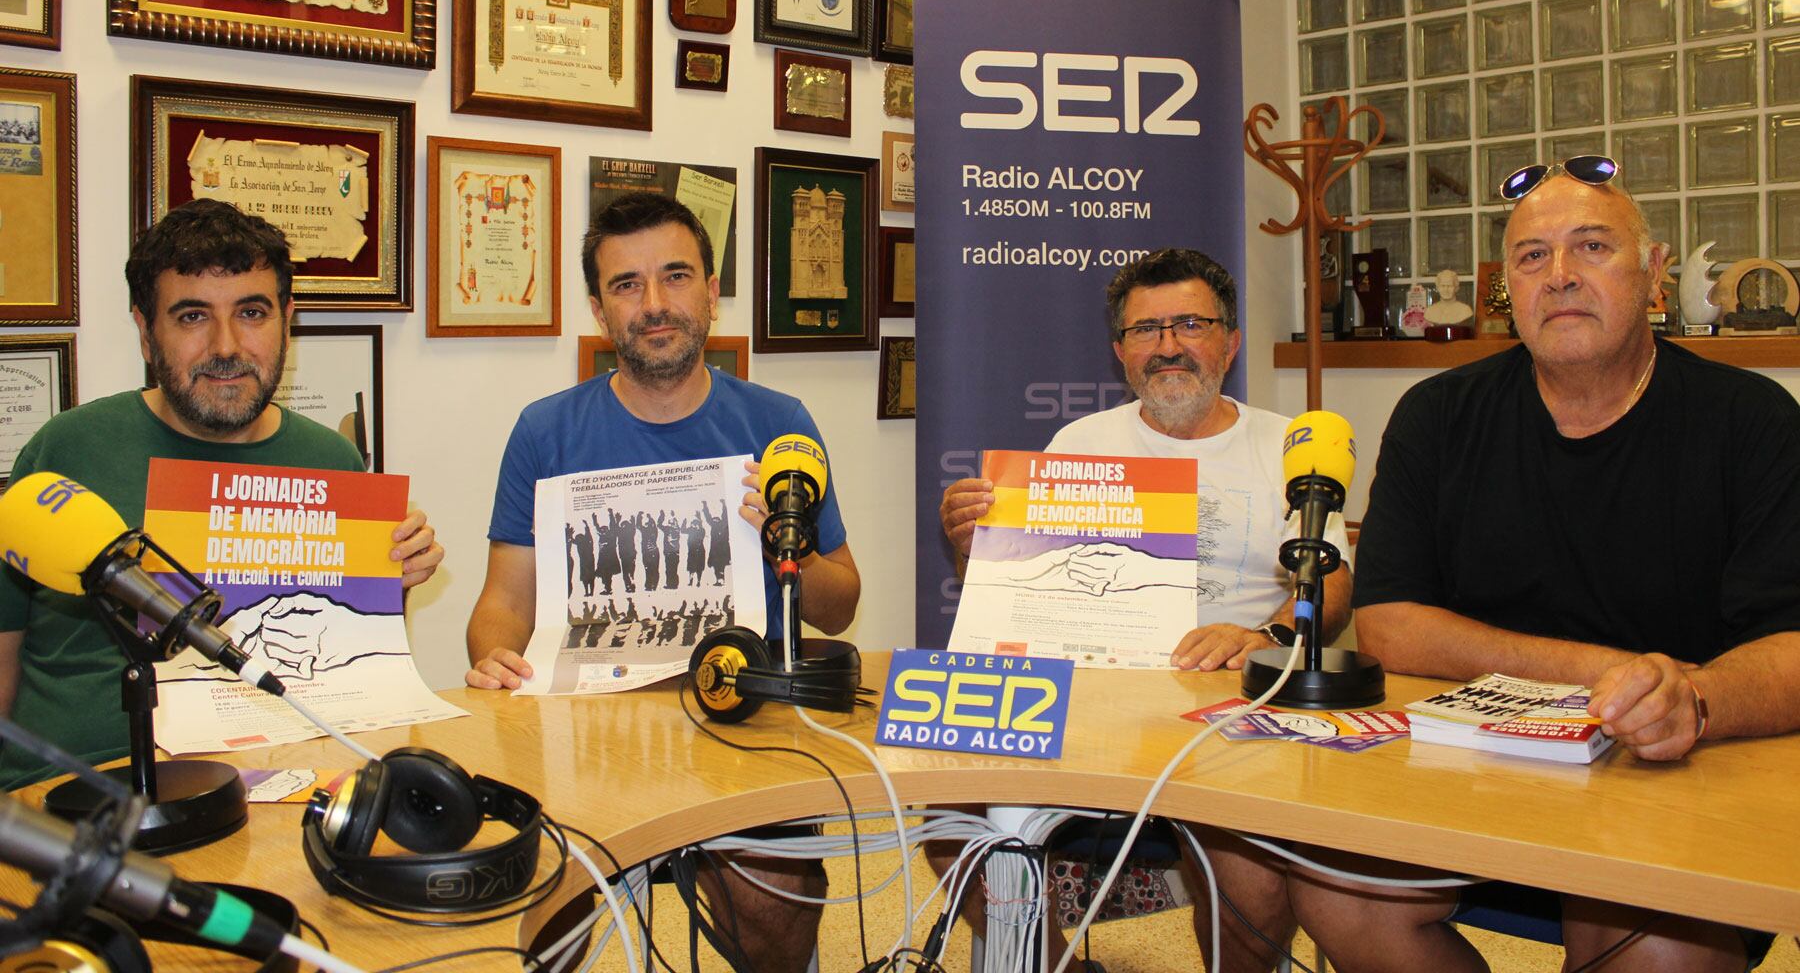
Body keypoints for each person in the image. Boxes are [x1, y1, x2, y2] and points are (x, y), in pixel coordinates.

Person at [1292, 163, 1800, 971]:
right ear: (1509, 290)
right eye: (1531, 257)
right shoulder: (1439, 415)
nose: (1559, 276)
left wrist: (1692, 699)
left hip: (1665, 772)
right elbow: (1389, 622)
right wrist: (1605, 671)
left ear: (1654, 272)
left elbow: (1791, 648)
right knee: (1334, 886)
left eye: (1592, 246)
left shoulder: (1753, 422)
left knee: (1652, 945)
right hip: (1478, 761)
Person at [466, 191, 860, 973]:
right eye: (626, 285)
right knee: (539, 914)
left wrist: (795, 551)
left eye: (675, 276)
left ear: (711, 291)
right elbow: (504, 603)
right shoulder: (546, 430)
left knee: (775, 900)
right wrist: (493, 658)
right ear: (598, 309)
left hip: (747, 722)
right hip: (588, 728)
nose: (654, 305)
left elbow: (842, 606)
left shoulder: (780, 421)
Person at [935, 248, 1352, 972]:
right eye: (1145, 330)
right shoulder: (1080, 444)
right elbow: (1025, 591)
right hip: (1098, 703)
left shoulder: (1288, 446)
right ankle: (1056, 964)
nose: (1167, 346)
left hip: (1233, 710)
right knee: (952, 818)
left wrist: (1264, 636)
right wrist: (975, 546)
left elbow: (1333, 584)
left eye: (1190, 324)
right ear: (1121, 351)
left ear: (1231, 340)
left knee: (1245, 867)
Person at [0, 199, 444, 790]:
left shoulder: (331, 462)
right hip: (71, 795)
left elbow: (342, 669)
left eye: (252, 312)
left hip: (269, 782)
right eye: (191, 316)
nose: (227, 345)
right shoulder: (68, 450)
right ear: (144, 330)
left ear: (288, 318)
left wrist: (391, 578)